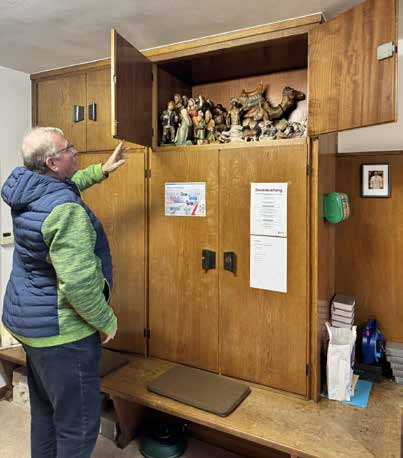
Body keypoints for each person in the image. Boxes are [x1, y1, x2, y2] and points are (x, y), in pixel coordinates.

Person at [1, 127, 126, 458]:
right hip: (62, 335)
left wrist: (100, 172)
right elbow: (79, 284)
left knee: (45, 412)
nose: (76, 152)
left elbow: (63, 188)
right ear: (52, 162)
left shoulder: (27, 188)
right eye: (69, 149)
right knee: (78, 426)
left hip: (30, 324)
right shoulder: (65, 210)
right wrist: (106, 320)